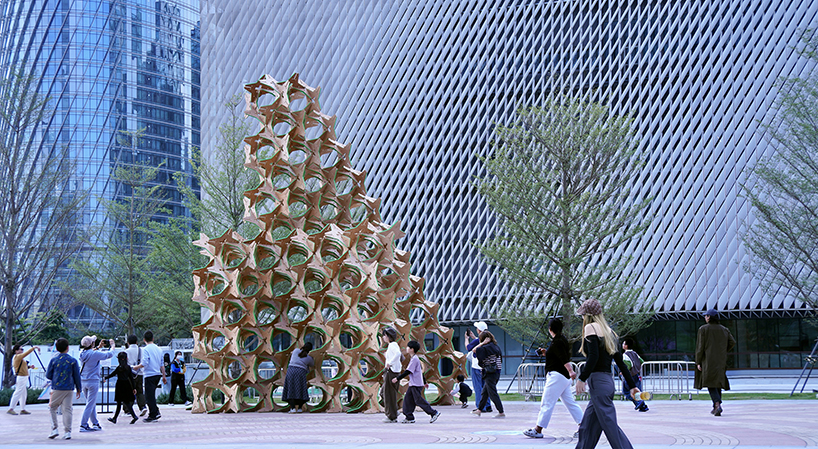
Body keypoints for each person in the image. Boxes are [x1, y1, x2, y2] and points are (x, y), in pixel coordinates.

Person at [574, 298, 641, 449]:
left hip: (598, 382)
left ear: (588, 315)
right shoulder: (610, 333)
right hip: (607, 383)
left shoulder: (590, 327)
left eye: (583, 315)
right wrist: (632, 386)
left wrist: (581, 378)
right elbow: (621, 364)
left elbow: (594, 357)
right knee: (587, 427)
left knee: (610, 426)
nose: (582, 318)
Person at [523, 318, 583, 439]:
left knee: (547, 402)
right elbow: (559, 355)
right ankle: (584, 427)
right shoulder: (561, 340)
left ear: (550, 329)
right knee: (570, 403)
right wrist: (546, 352)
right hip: (563, 377)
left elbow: (563, 358)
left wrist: (571, 371)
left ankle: (538, 429)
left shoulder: (557, 342)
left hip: (557, 376)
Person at [694, 309, 736, 417]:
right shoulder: (724, 329)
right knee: (717, 382)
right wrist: (723, 350)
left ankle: (717, 404)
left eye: (706, 316)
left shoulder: (703, 329)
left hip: (708, 360)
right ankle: (715, 406)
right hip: (720, 360)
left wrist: (698, 361)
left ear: (709, 317)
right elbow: (732, 342)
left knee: (710, 382)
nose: (705, 318)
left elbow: (700, 347)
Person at [392, 340, 440, 424]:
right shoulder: (414, 359)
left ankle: (433, 413)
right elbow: (420, 372)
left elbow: (408, 371)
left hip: (416, 384)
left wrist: (397, 378)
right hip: (414, 384)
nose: (406, 348)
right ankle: (409, 417)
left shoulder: (414, 359)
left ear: (412, 349)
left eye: (408, 347)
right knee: (407, 400)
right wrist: (424, 382)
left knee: (418, 401)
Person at [46, 338, 81, 440]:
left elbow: (48, 375)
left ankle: (54, 429)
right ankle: (67, 432)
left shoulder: (54, 360)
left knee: (52, 407)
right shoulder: (73, 361)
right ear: (68, 348)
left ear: (56, 348)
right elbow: (76, 376)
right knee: (67, 409)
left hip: (57, 387)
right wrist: (79, 388)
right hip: (69, 388)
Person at [79, 335, 115, 432]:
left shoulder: (81, 353)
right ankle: (83, 424)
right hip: (93, 381)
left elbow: (90, 353)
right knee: (90, 404)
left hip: (83, 381)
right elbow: (109, 354)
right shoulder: (95, 354)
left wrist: (98, 347)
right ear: (92, 344)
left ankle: (95, 423)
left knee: (91, 403)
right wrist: (112, 346)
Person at [133, 331, 167, 422]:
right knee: (151, 395)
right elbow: (162, 364)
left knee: (149, 397)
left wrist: (137, 367)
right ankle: (156, 411)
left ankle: (153, 415)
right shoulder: (159, 349)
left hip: (149, 374)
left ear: (144, 340)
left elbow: (145, 363)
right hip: (157, 374)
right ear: (153, 338)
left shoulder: (146, 349)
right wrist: (164, 376)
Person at [471, 330, 505, 418]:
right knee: (485, 392)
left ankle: (501, 412)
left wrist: (482, 343)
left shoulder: (486, 348)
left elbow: (474, 350)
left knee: (492, 393)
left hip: (490, 373)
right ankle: (479, 410)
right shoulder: (495, 347)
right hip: (496, 372)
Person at [104, 352, 139, 424]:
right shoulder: (128, 368)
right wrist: (134, 388)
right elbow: (131, 378)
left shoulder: (118, 368)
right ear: (126, 359)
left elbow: (112, 374)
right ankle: (116, 418)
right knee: (126, 402)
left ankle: (117, 418)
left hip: (120, 385)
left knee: (119, 403)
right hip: (127, 385)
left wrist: (105, 378)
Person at [465, 321, 492, 413]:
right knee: (486, 387)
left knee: (478, 387)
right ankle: (488, 405)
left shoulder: (477, 341)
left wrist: (466, 338)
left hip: (476, 366)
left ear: (479, 330)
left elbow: (468, 347)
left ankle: (480, 407)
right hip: (486, 367)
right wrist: (474, 337)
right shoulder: (489, 340)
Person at [7, 344, 40, 415]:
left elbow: (21, 367)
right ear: (16, 351)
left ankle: (22, 408)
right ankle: (11, 408)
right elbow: (26, 353)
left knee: (23, 393)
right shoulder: (18, 356)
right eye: (21, 349)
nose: (22, 351)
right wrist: (34, 348)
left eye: (22, 349)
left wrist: (29, 367)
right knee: (18, 392)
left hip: (23, 377)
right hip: (21, 377)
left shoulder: (19, 358)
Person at [282, 342, 314, 413]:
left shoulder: (296, 351)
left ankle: (292, 408)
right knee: (301, 389)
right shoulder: (309, 358)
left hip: (291, 370)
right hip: (300, 372)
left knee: (291, 389)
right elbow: (312, 364)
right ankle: (300, 408)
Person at [620, 337, 648, 412]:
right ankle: (643, 406)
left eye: (623, 343)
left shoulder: (625, 355)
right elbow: (641, 361)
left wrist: (623, 371)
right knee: (637, 391)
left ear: (626, 346)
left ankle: (639, 402)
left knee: (626, 392)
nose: (622, 345)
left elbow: (627, 365)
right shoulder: (635, 353)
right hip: (636, 374)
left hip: (629, 376)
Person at [381, 327, 402, 423]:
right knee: (385, 393)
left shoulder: (392, 345)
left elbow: (398, 354)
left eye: (385, 335)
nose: (383, 337)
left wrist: (390, 363)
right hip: (391, 372)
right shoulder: (393, 345)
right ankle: (394, 410)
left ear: (389, 336)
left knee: (388, 394)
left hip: (391, 372)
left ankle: (391, 416)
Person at [124, 334, 148, 416]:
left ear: (128, 342)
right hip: (140, 373)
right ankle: (143, 406)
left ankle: (128, 410)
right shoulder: (141, 350)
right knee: (139, 391)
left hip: (130, 374)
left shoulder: (126, 351)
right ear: (137, 342)